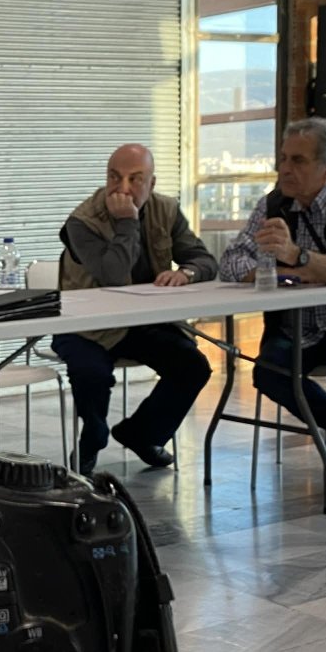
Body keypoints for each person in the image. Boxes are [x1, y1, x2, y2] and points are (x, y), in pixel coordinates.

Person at [219, 117, 326, 496]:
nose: (285, 169)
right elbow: (230, 262)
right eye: (283, 158)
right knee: (268, 372)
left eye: (298, 160)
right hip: (300, 327)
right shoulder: (273, 205)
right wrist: (280, 269)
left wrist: (294, 255)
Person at [50, 143, 217, 475]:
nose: (122, 188)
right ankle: (92, 438)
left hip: (140, 322)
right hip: (83, 324)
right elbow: (113, 276)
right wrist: (128, 222)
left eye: (135, 179)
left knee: (192, 365)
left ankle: (142, 434)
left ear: (151, 184)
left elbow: (205, 260)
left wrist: (186, 273)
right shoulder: (82, 222)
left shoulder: (166, 210)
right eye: (114, 177)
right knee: (92, 373)